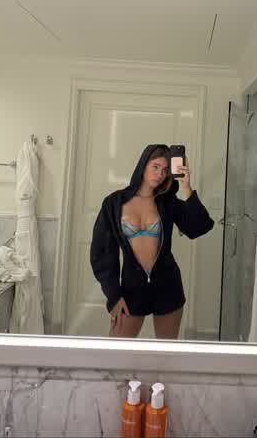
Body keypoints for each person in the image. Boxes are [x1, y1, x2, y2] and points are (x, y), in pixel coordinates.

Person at [90, 144, 214, 339]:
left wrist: (187, 187)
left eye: (165, 170)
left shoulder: (167, 202)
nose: (160, 174)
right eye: (155, 167)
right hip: (131, 287)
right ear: (143, 165)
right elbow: (102, 253)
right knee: (117, 349)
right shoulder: (114, 203)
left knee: (166, 352)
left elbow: (200, 226)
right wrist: (113, 296)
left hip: (168, 285)